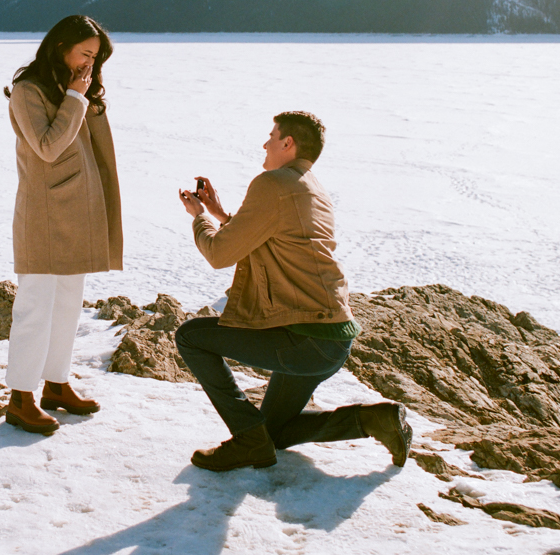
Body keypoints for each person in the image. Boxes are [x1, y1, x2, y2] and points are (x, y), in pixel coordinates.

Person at [174, 111, 412, 471]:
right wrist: (221, 213)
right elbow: (271, 235)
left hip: (305, 339)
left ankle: (247, 440)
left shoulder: (272, 183)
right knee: (277, 431)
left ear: (288, 143)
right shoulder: (309, 185)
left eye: (272, 136)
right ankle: (376, 420)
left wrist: (199, 218)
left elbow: (220, 253)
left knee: (191, 337)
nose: (265, 143)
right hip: (330, 338)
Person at [3, 15, 123, 435]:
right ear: (60, 47)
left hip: (80, 209)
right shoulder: (28, 90)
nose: (90, 64)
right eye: (85, 54)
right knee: (35, 305)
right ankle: (20, 398)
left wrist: (78, 94)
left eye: (96, 57)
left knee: (69, 304)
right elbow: (49, 148)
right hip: (45, 212)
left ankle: (55, 383)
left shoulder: (73, 89)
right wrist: (75, 96)